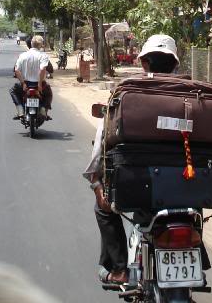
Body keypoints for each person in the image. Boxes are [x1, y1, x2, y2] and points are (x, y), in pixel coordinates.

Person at [82, 34, 181, 286]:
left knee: (102, 208)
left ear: (144, 63)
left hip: (137, 181)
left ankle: (118, 270)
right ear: (175, 65)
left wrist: (96, 183)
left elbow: (102, 141)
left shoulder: (127, 93)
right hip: (187, 183)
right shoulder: (190, 95)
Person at [10, 35, 53, 121]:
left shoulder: (23, 55)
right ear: (41, 45)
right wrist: (40, 84)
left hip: (26, 84)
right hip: (39, 85)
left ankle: (20, 110)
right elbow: (43, 69)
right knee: (48, 93)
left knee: (13, 90)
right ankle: (43, 110)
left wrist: (23, 83)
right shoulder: (43, 55)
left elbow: (16, 70)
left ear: (30, 44)